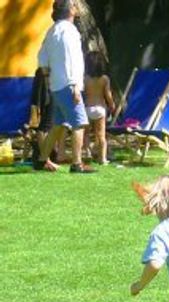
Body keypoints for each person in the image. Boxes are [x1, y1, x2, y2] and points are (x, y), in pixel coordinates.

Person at [36, 0, 95, 173]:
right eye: (75, 5)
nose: (77, 7)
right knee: (80, 123)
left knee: (58, 125)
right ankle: (77, 164)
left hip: (56, 85)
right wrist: (76, 85)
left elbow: (42, 58)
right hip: (69, 84)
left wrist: (48, 77)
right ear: (70, 10)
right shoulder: (69, 31)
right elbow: (73, 60)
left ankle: (41, 160)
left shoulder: (52, 31)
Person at [83, 52, 115, 165]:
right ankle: (102, 158)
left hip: (87, 108)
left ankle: (87, 153)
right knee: (101, 135)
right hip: (100, 108)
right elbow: (108, 95)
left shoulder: (85, 79)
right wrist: (112, 105)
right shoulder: (105, 79)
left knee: (85, 134)